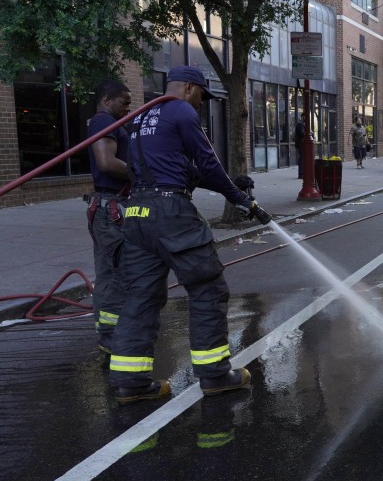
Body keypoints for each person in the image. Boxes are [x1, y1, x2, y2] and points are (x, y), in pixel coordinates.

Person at [108, 65, 271, 405]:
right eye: (201, 96)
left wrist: (230, 183)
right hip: (172, 214)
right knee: (207, 288)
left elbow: (187, 171)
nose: (200, 104)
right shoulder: (181, 110)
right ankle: (214, 375)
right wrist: (240, 199)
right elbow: (208, 163)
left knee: (141, 296)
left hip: (136, 214)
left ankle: (130, 382)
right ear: (188, 88)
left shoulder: (142, 115)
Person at [85, 80, 132, 355]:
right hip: (111, 209)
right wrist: (143, 174)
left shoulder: (107, 123)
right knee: (117, 272)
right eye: (124, 101)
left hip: (105, 208)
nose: (128, 107)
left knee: (107, 272)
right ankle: (112, 335)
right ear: (106, 100)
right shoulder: (103, 122)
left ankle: (107, 334)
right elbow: (106, 162)